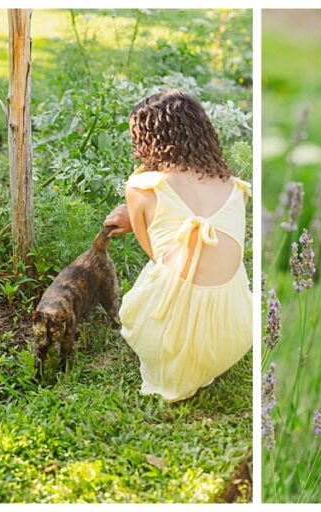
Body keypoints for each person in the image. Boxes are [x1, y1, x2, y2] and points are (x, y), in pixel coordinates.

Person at [104, 90, 253, 402]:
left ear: (148, 140)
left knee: (159, 275)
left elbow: (159, 258)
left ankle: (180, 353)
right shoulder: (238, 189)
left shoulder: (142, 187)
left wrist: (134, 217)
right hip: (235, 335)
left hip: (169, 344)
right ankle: (210, 353)